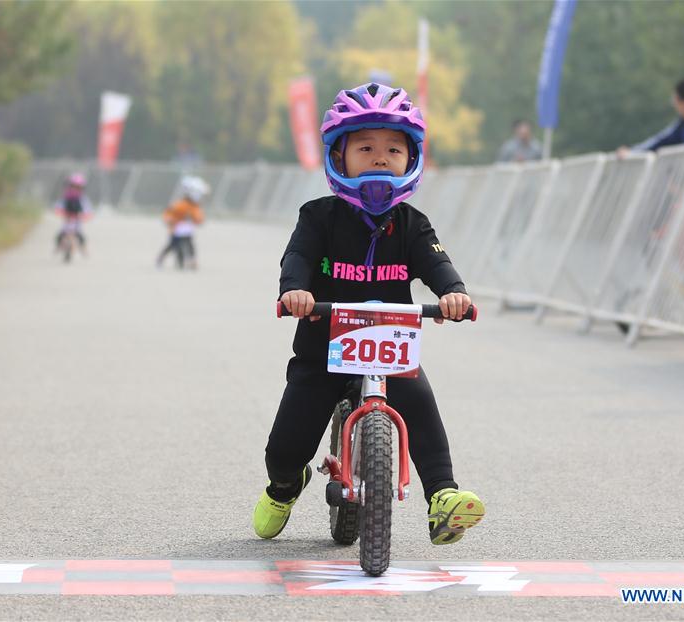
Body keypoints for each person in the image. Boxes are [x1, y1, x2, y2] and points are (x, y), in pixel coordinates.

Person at [252, 82, 485, 545]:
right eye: (365, 147)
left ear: (411, 158)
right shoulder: (318, 216)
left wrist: (454, 292)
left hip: (389, 349)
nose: (380, 157)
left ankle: (443, 497)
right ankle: (284, 486)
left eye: (393, 149)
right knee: (286, 447)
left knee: (419, 405)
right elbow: (296, 257)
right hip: (322, 351)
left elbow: (437, 263)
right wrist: (295, 290)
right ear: (339, 158)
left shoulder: (412, 224)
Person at [617, 78, 684, 156]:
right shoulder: (682, 125)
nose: (674, 104)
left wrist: (632, 152)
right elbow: (660, 141)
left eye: (675, 99)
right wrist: (633, 151)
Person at [156, 176, 208, 270]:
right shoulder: (180, 204)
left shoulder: (195, 207)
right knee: (174, 245)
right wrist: (169, 220)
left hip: (187, 230)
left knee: (190, 245)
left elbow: (198, 218)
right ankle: (167, 260)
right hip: (176, 230)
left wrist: (197, 220)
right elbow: (169, 213)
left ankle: (191, 261)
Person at [54, 173, 93, 254]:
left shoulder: (83, 199)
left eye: (78, 187)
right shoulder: (65, 197)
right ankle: (58, 246)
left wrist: (86, 215)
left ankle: (83, 248)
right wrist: (60, 211)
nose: (75, 189)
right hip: (67, 220)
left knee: (81, 237)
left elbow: (87, 209)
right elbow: (59, 206)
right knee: (60, 236)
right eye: (73, 186)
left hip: (76, 222)